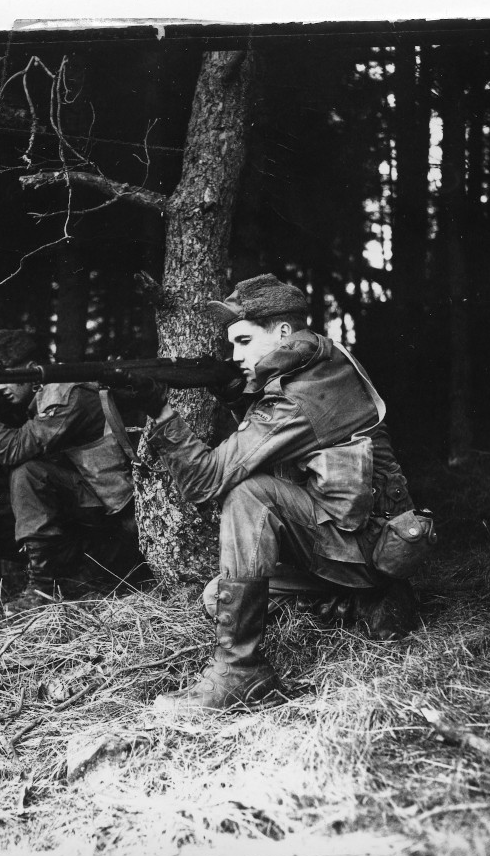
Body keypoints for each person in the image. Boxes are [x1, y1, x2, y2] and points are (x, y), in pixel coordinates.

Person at [138, 274, 436, 713]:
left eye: (242, 341)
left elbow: (206, 481)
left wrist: (160, 411)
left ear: (282, 333)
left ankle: (239, 672)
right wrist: (236, 394)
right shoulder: (322, 361)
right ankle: (362, 601)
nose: (234, 355)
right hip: (349, 539)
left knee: (250, 494)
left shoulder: (299, 399)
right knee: (215, 597)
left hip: (364, 549)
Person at [0, 330, 146, 614]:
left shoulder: (65, 395)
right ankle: (78, 576)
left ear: (30, 367)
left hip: (123, 519)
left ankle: (42, 591)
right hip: (99, 507)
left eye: (4, 374)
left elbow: (15, 448)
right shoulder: (46, 396)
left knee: (28, 473)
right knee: (1, 526)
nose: (0, 386)